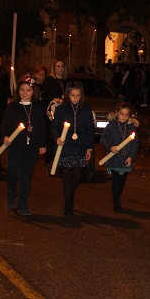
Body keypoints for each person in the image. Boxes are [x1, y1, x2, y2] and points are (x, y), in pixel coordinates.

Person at [0, 77, 47, 216]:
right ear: (18, 90)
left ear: (34, 91)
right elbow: (5, 124)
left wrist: (42, 144)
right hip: (15, 145)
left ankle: (23, 203)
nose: (25, 93)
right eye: (22, 90)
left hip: (31, 147)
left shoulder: (37, 107)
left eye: (28, 90)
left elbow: (41, 127)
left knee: (26, 175)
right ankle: (11, 193)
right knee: (13, 173)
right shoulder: (13, 106)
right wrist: (5, 136)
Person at [51, 80, 95, 216]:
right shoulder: (61, 109)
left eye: (78, 95)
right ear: (67, 95)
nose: (75, 98)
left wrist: (89, 148)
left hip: (80, 146)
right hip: (66, 147)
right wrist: (57, 138)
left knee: (77, 175)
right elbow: (54, 127)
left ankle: (69, 196)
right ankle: (68, 204)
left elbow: (90, 129)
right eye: (72, 95)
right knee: (66, 175)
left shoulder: (86, 109)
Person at [100, 102, 140, 213]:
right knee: (116, 180)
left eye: (127, 114)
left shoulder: (131, 127)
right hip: (114, 158)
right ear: (117, 113)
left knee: (122, 181)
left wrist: (131, 156)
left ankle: (117, 197)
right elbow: (103, 139)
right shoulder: (111, 126)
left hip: (125, 159)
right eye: (122, 114)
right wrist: (110, 146)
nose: (124, 117)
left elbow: (135, 143)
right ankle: (116, 201)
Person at [42, 59, 66, 172]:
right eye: (58, 66)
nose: (60, 68)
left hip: (63, 112)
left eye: (62, 66)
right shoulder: (49, 80)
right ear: (54, 68)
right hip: (51, 112)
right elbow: (45, 95)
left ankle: (60, 161)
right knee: (52, 137)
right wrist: (53, 99)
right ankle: (49, 162)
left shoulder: (66, 81)